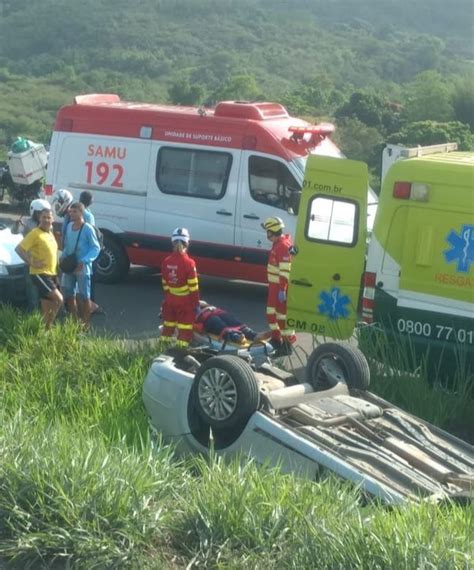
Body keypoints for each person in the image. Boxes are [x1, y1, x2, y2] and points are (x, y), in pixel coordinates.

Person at [15, 208, 63, 329]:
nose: (46, 219)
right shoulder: (35, 233)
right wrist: (31, 262)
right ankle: (49, 325)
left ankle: (45, 330)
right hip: (40, 273)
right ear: (39, 218)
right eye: (44, 217)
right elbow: (19, 249)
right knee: (58, 299)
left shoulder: (50, 233)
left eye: (49, 217)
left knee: (47, 304)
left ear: (53, 219)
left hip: (52, 274)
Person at [60, 202, 101, 328]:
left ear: (82, 213)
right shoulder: (69, 226)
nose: (72, 214)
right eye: (71, 212)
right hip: (70, 266)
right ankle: (74, 321)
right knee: (69, 294)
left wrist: (84, 261)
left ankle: (86, 323)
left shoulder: (87, 228)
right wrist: (62, 258)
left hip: (82, 268)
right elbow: (67, 246)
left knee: (84, 296)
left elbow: (95, 247)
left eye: (75, 211)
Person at [160, 227, 199, 349]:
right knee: (185, 330)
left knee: (168, 327)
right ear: (187, 243)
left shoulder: (166, 261)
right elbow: (193, 288)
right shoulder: (189, 263)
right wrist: (196, 304)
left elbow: (165, 284)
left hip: (170, 300)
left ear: (172, 242)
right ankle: (180, 353)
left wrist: (168, 298)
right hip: (185, 302)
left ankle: (162, 350)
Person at [262, 216, 296, 354]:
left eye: (268, 231)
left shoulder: (282, 246)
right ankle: (277, 339)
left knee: (282, 317)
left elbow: (285, 271)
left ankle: (287, 345)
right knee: (272, 314)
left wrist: (282, 289)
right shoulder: (279, 244)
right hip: (274, 287)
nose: (267, 234)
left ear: (272, 231)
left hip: (279, 288)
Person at [12, 198, 52, 312]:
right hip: (31, 263)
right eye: (40, 213)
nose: (42, 216)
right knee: (32, 294)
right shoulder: (27, 222)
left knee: (46, 293)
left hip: (45, 264)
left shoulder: (47, 224)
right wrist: (16, 225)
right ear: (34, 212)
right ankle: (32, 321)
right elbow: (14, 231)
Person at [195, 300, 271, 344]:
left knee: (229, 318)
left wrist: (201, 304)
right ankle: (235, 337)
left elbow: (204, 303)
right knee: (216, 321)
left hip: (213, 311)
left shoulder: (194, 298)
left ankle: (253, 335)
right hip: (203, 319)